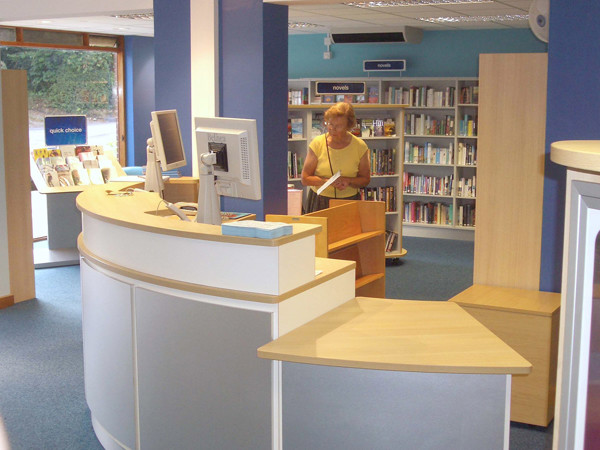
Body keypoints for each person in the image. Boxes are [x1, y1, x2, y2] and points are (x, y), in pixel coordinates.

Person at [301, 102, 371, 212]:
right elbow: (305, 179)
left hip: (349, 202)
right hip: (319, 201)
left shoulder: (360, 146)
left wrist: (348, 181)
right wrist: (327, 182)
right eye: (330, 124)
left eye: (338, 126)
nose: (332, 129)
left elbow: (365, 180)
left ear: (349, 126)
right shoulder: (317, 143)